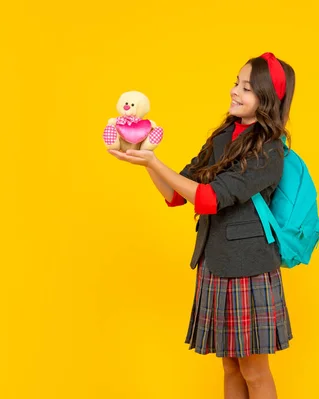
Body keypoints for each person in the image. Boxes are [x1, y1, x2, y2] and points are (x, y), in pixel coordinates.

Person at [109, 52, 296, 399]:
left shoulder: (269, 151)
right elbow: (176, 194)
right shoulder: (224, 135)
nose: (235, 92)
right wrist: (146, 160)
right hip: (214, 261)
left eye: (247, 88)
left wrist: (153, 161)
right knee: (229, 366)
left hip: (248, 268)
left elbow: (208, 199)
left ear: (268, 99)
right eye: (236, 83)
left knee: (254, 371)